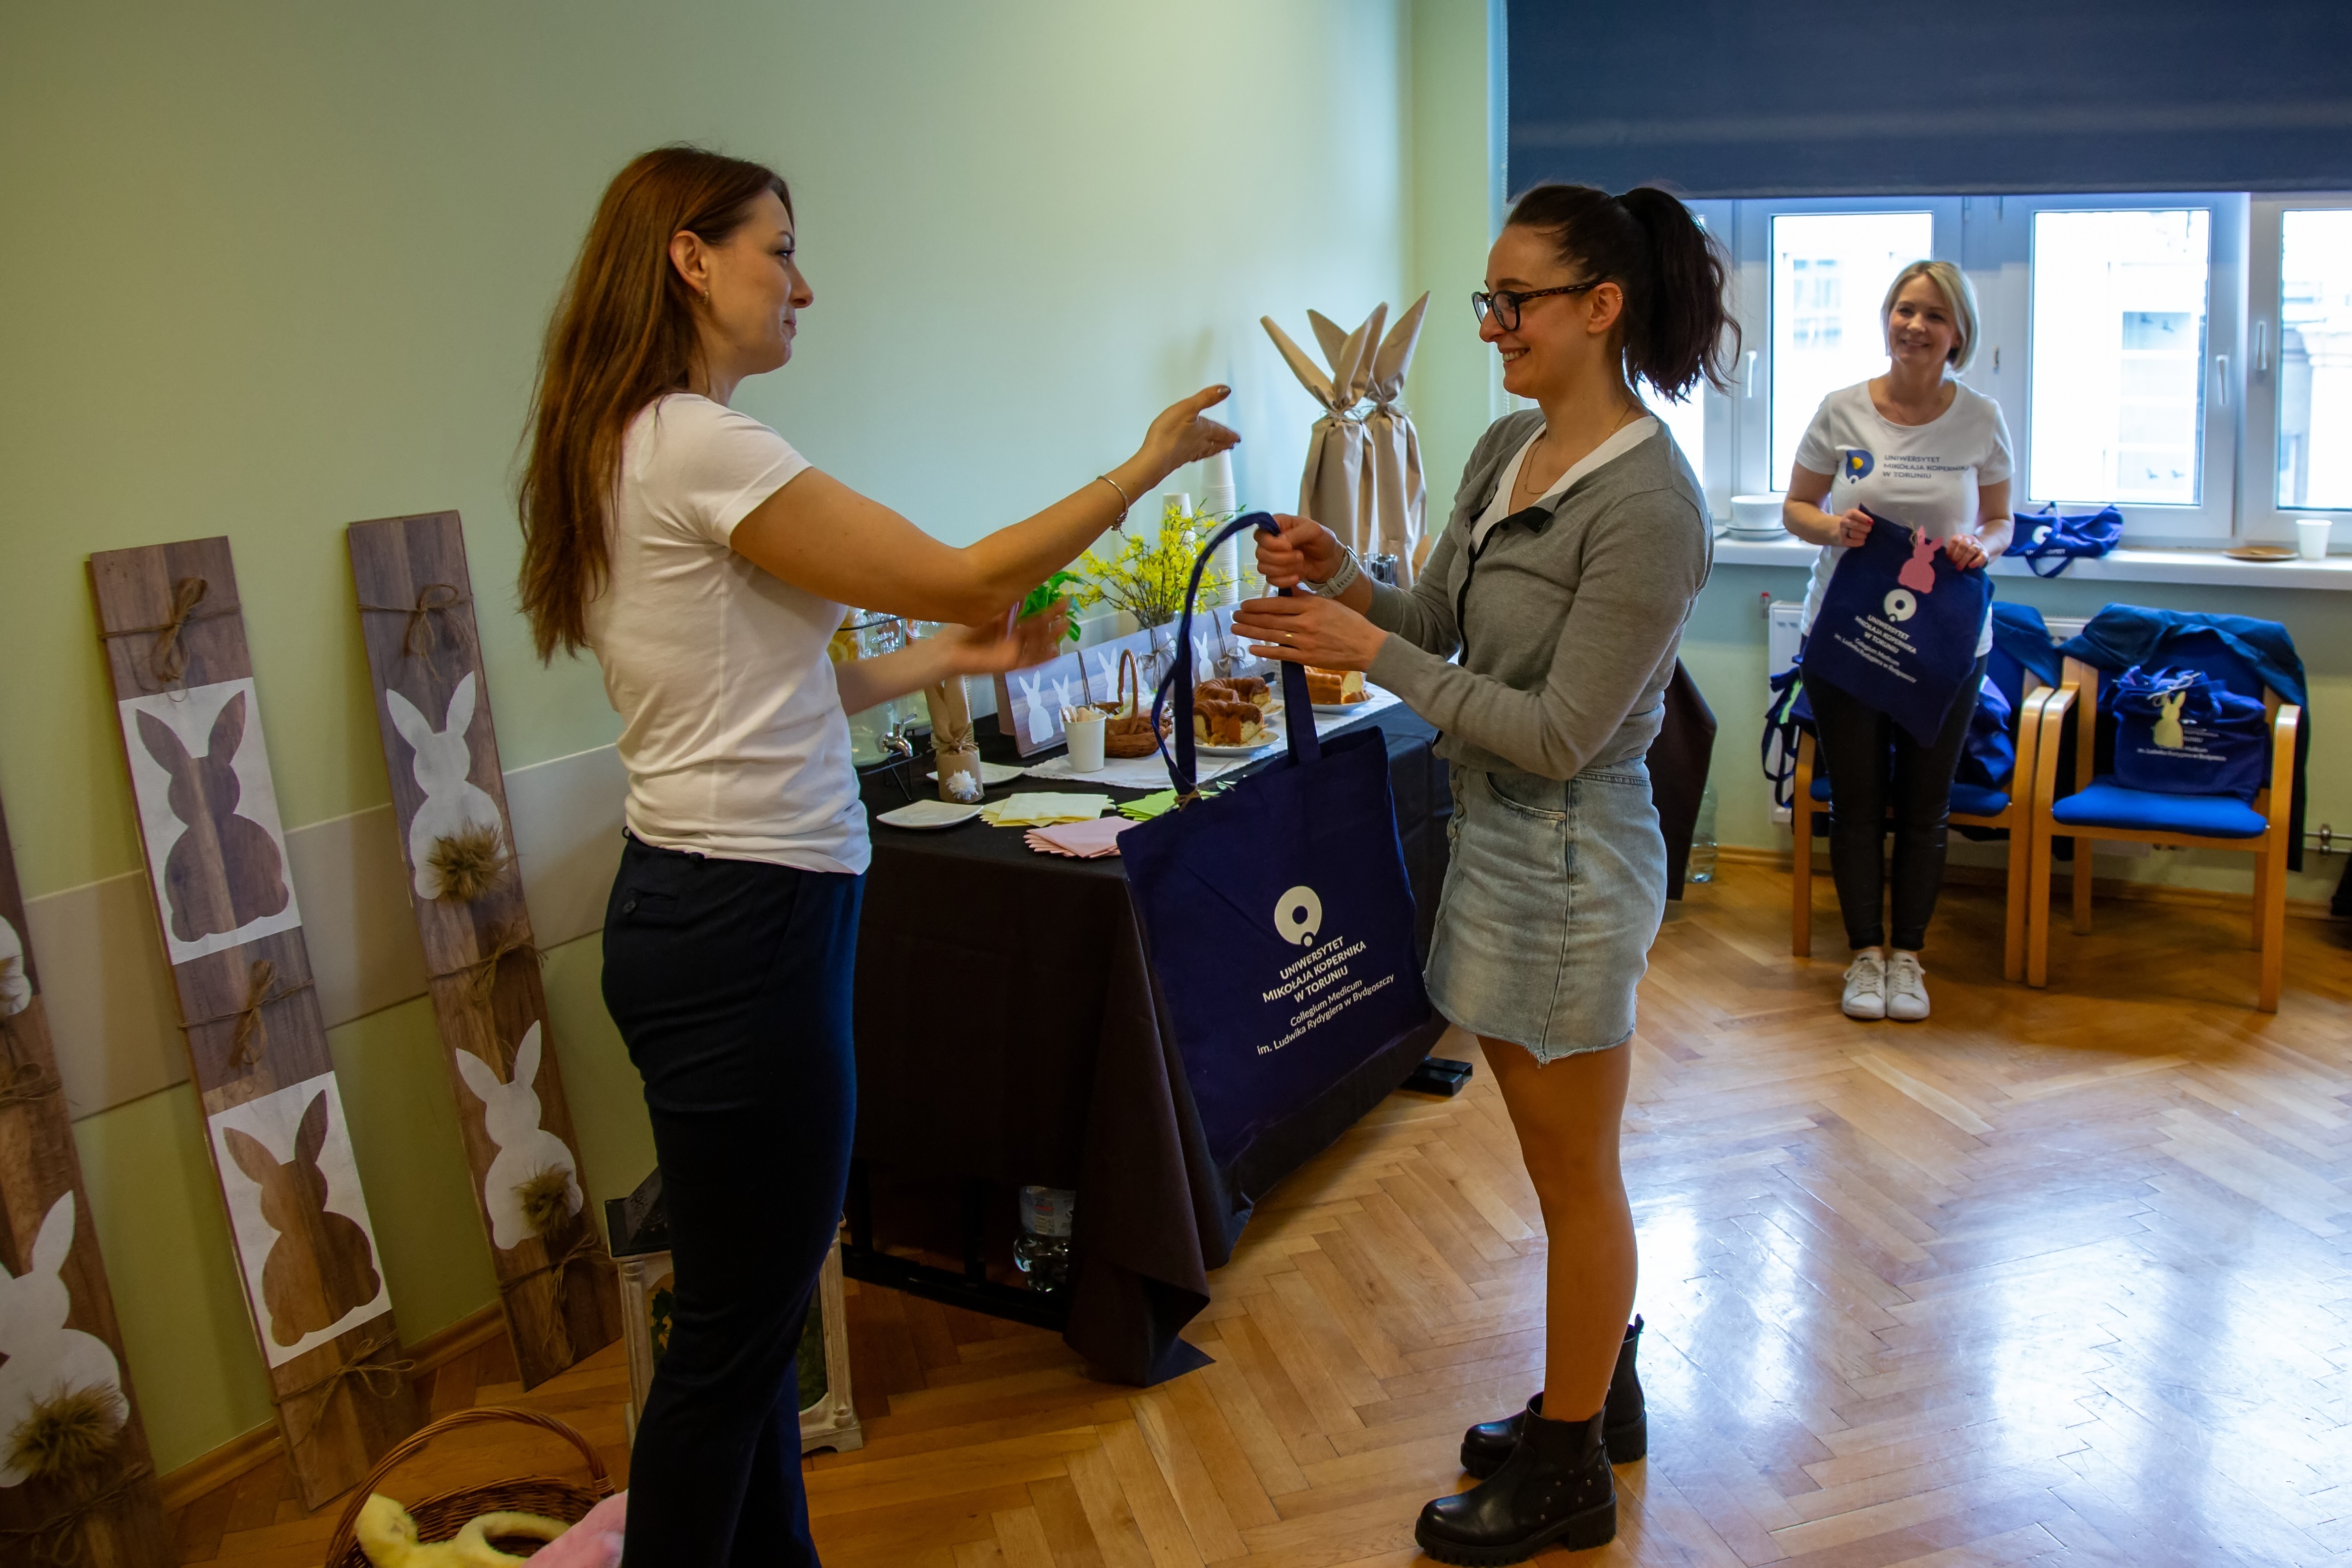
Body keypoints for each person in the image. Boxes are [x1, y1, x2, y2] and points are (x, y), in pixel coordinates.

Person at [516, 145, 1236, 1568]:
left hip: (706, 909)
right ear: (690, 258)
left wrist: (945, 664)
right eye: (779, 248)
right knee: (736, 1341)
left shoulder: (630, 442)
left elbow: (773, 690)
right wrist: (1142, 468)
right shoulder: (699, 444)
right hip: (744, 923)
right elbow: (967, 569)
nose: (804, 285)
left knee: (749, 1316)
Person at [1235, 183, 1732, 1564]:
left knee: (1576, 1178)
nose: (1489, 326)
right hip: (1498, 836)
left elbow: (1561, 733)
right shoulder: (1511, 445)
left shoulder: (1649, 506)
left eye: (1514, 302)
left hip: (1571, 856)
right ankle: (1597, 1395)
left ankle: (1569, 1475)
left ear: (1600, 306)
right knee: (1556, 1163)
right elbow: (1441, 620)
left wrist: (1367, 650)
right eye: (1488, 299)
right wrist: (1353, 578)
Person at [1781, 260, 2012, 1023]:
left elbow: (2001, 520)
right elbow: (1796, 508)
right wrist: (1832, 527)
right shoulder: (1841, 410)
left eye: (1933, 315)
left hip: (1946, 644)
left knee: (1924, 806)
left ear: (1958, 334)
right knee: (1854, 803)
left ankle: (1907, 958)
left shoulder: (1981, 418)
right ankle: (1863, 957)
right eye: (1903, 310)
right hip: (1846, 634)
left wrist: (1982, 544)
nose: (1914, 326)